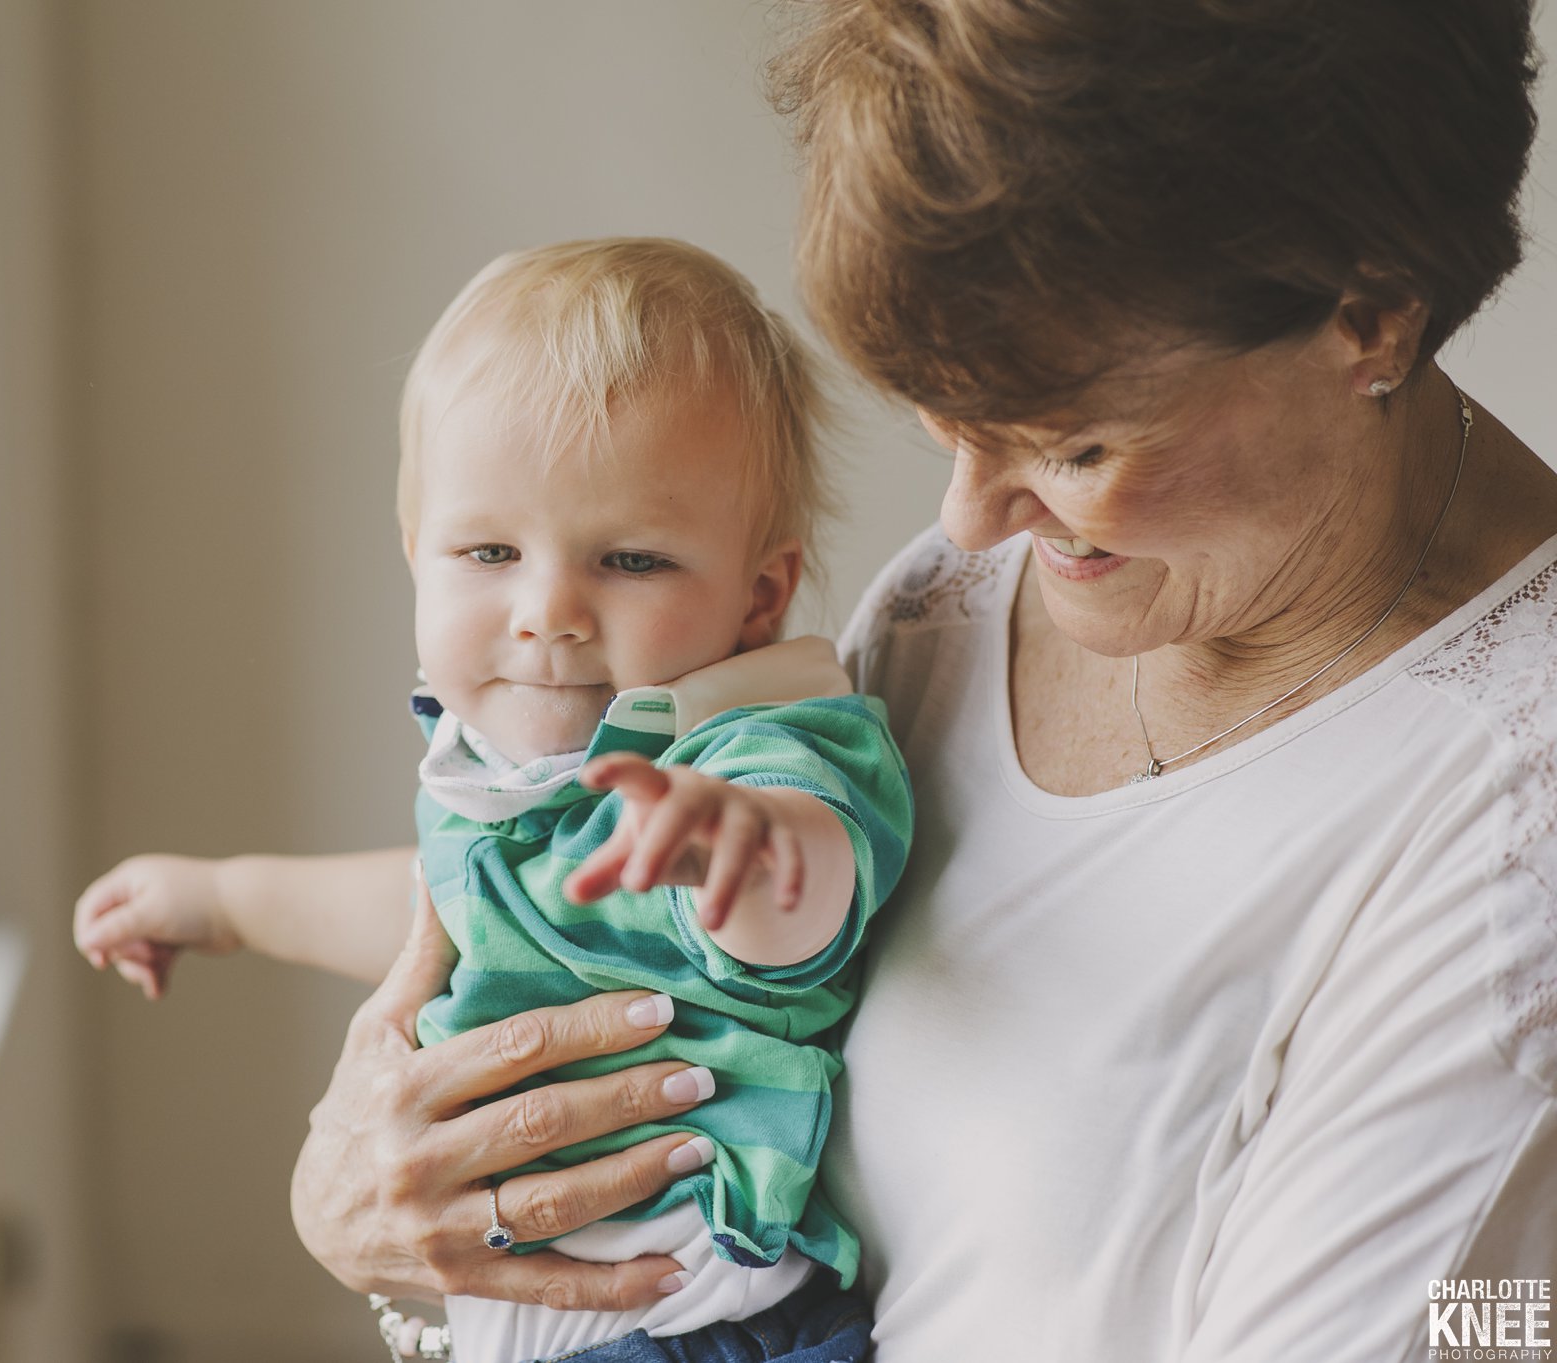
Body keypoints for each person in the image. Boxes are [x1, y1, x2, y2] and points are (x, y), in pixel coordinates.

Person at [266, 3, 1557, 1361]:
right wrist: (418, 1219)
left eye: (1069, 444)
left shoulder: (1504, 854)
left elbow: (1497, 1316)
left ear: (1370, 314)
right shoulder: (976, 602)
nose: (964, 518)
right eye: (947, 421)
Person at [75, 238, 913, 1363]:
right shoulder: (498, 773)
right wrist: (224, 901)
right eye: (488, 550)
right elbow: (438, 912)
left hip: (703, 1314)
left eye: (628, 560)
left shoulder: (756, 744)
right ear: (417, 554)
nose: (546, 610)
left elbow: (804, 900)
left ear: (758, 595)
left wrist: (735, 847)